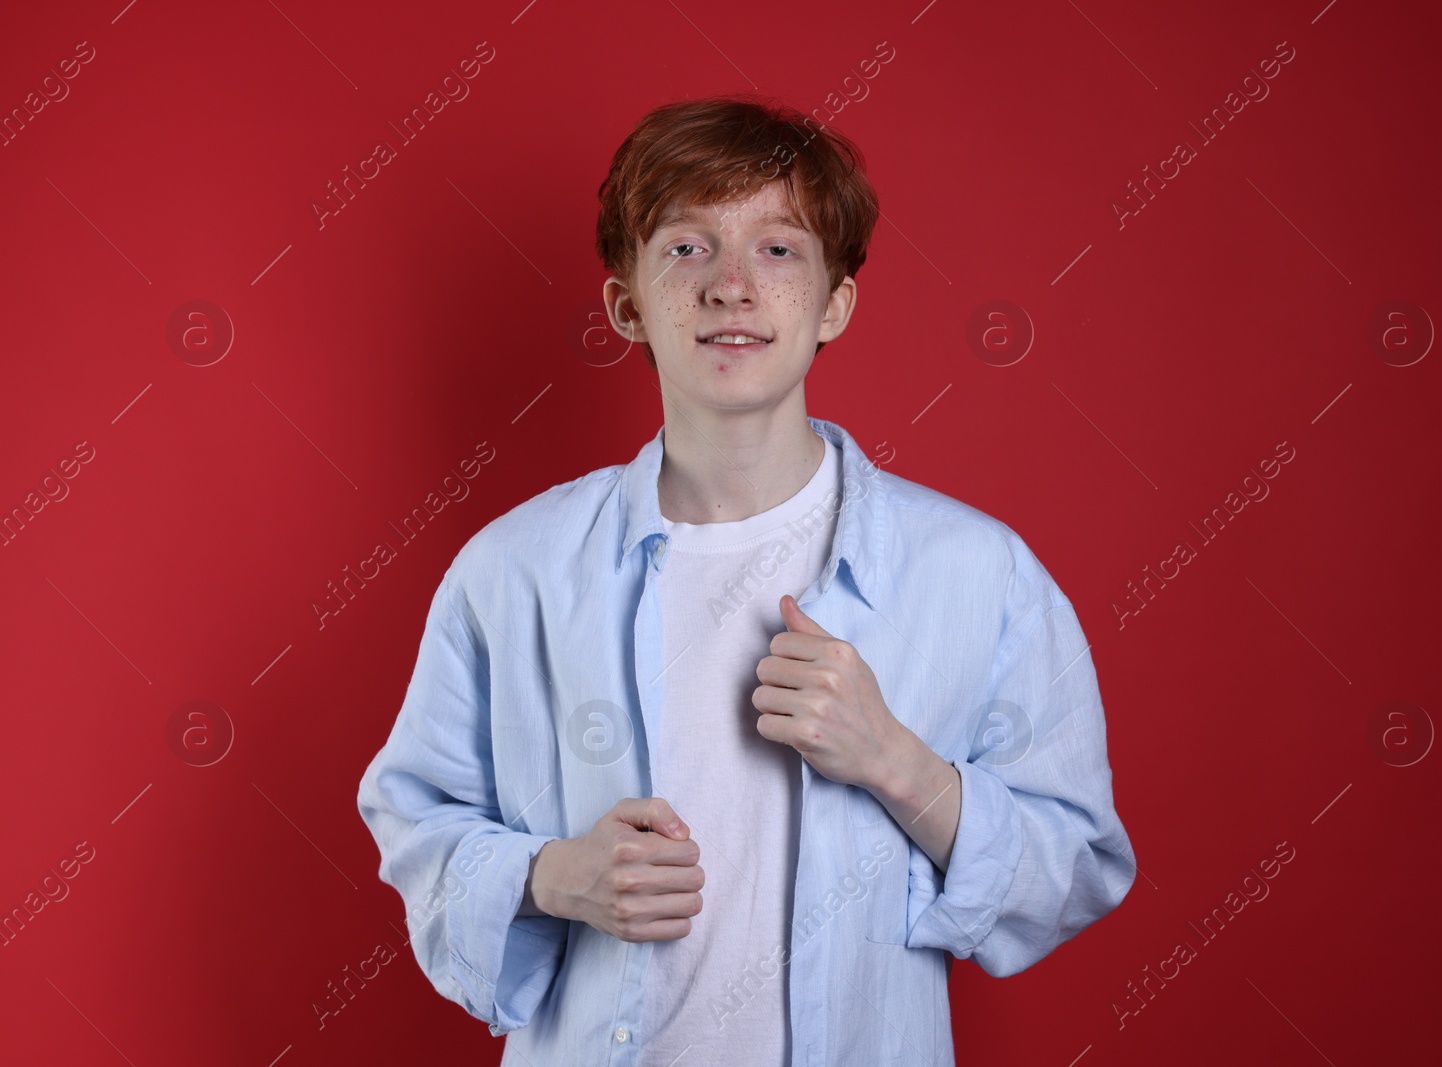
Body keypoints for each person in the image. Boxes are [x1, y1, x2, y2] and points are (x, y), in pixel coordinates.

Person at [356, 94, 1136, 1067]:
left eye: (777, 249)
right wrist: (549, 874)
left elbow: (1074, 869)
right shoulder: (514, 570)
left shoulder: (979, 572)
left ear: (833, 303)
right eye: (687, 247)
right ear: (626, 303)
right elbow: (414, 818)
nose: (731, 285)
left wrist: (899, 761)